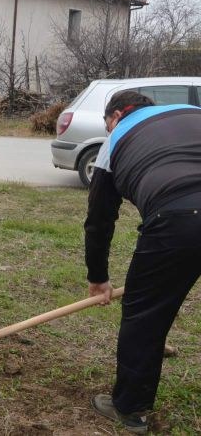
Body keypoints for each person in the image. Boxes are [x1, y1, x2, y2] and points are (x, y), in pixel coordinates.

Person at [83, 90, 201, 434]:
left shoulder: (116, 138)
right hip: (183, 210)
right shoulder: (192, 111)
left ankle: (129, 407)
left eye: (107, 125)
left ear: (117, 116)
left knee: (144, 310)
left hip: (178, 214)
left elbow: (99, 219)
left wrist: (98, 277)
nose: (108, 132)